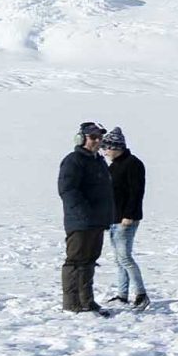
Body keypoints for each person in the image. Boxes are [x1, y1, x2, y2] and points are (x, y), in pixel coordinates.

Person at [57, 121, 115, 317]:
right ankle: (71, 303)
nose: (97, 141)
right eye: (92, 137)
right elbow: (67, 190)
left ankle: (86, 300)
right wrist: (83, 213)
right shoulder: (74, 160)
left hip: (97, 221)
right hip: (80, 222)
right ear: (82, 138)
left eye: (99, 137)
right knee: (75, 261)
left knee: (90, 261)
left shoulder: (98, 161)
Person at [101, 127, 150, 309]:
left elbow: (136, 192)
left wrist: (129, 215)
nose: (104, 151)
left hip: (125, 220)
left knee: (125, 258)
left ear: (116, 147)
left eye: (106, 147)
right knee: (119, 259)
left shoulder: (133, 164)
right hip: (114, 218)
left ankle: (141, 294)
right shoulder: (114, 165)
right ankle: (122, 295)